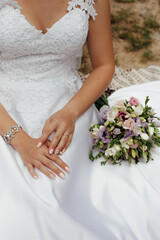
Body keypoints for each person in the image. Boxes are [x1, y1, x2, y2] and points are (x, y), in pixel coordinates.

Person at [0, 0, 160, 240]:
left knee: (102, 202)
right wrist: (18, 138)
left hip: (69, 105)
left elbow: (104, 65)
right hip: (5, 111)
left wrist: (71, 112)